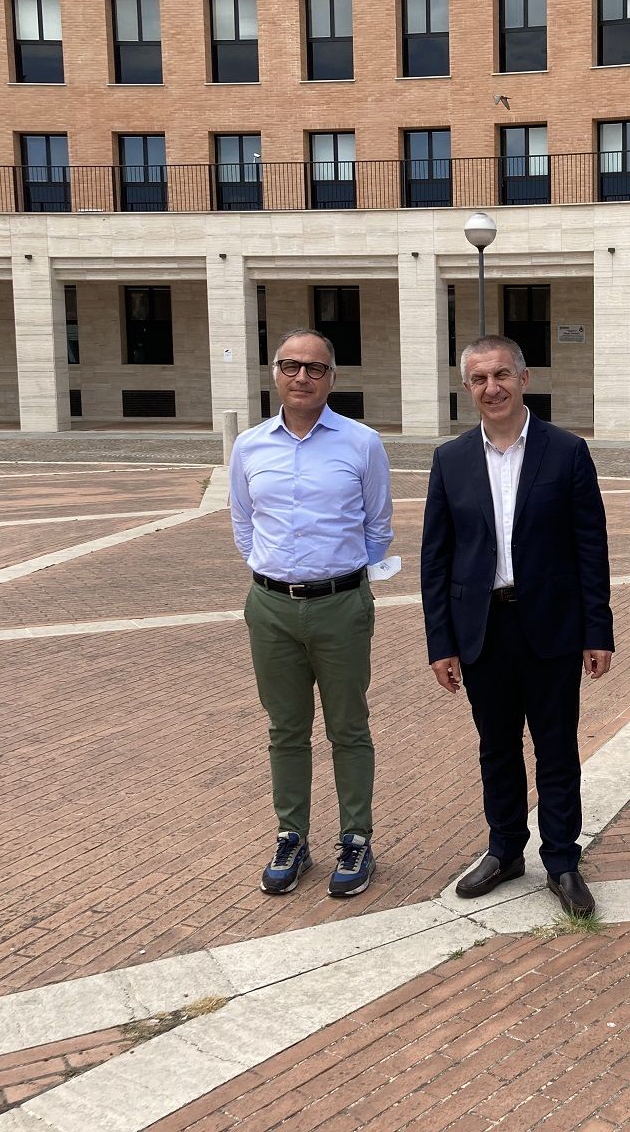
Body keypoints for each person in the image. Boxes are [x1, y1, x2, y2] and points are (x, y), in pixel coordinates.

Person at [421, 335, 614, 917]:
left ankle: (562, 860)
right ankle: (505, 850)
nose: (492, 387)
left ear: (524, 379)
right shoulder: (450, 460)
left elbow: (591, 547)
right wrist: (440, 642)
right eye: (480, 379)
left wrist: (597, 630)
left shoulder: (567, 451)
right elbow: (436, 559)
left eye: (502, 374)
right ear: (467, 387)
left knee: (556, 748)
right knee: (497, 747)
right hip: (481, 629)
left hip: (551, 626)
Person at [229, 328, 393, 898]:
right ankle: (291, 836)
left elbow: (378, 525)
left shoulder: (362, 443)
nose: (302, 377)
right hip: (270, 606)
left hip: (341, 605)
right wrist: (277, 572)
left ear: (332, 377)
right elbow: (244, 523)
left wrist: (339, 576)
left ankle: (356, 838)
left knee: (349, 727)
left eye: (315, 368)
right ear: (275, 372)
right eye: (291, 366)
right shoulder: (249, 446)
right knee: (285, 729)